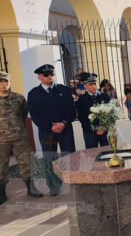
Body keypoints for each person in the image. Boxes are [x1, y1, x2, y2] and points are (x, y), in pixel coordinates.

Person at [0, 72, 43, 206]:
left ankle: (31, 188)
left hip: (20, 138)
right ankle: (1, 194)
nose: (4, 84)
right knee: (0, 166)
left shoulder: (19, 98)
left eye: (6, 81)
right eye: (1, 81)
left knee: (27, 162)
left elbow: (23, 115)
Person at [28, 64, 76, 196]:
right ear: (39, 77)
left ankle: (74, 181)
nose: (50, 77)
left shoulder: (65, 90)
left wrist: (64, 123)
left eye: (51, 74)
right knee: (50, 158)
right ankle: (54, 186)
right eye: (46, 75)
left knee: (70, 156)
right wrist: (51, 127)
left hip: (65, 130)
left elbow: (72, 110)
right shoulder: (33, 94)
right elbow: (34, 115)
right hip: (46, 132)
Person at [76, 73, 111, 149]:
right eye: (90, 84)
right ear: (85, 86)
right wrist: (95, 128)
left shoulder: (104, 97)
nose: (94, 86)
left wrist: (104, 127)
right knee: (91, 155)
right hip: (90, 133)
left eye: (95, 84)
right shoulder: (81, 100)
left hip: (105, 131)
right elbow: (82, 117)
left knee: (108, 153)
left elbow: (110, 114)